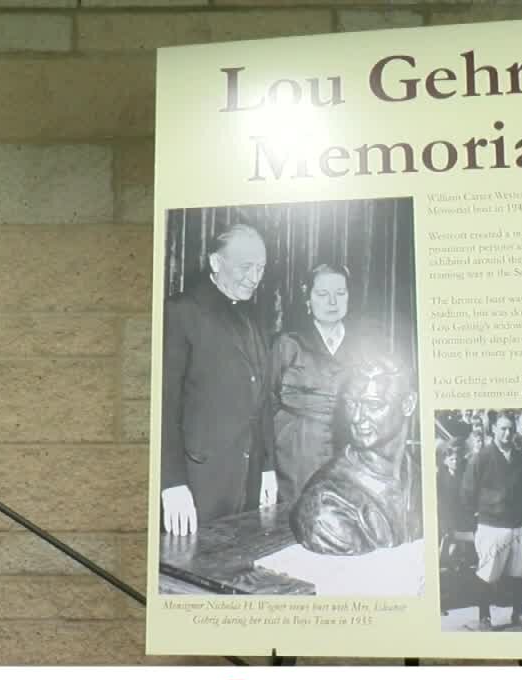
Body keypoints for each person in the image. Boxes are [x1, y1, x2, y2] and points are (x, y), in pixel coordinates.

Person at [160, 223, 277, 535]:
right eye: (245, 267)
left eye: (261, 268)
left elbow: (262, 399)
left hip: (248, 481)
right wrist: (171, 483)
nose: (254, 278)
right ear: (215, 262)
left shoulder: (252, 317)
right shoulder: (180, 312)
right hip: (199, 484)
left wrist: (267, 467)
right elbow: (163, 405)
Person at [270, 264, 378, 502]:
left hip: (346, 464)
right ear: (307, 298)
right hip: (294, 466)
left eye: (340, 293)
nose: (332, 302)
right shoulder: (287, 345)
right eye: (322, 294)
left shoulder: (364, 350)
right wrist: (266, 469)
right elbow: (264, 409)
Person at [290, 357, 420, 554]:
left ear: (408, 404)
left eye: (373, 405)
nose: (357, 418)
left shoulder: (421, 478)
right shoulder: (326, 505)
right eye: (351, 404)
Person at [462, 414, 522, 630]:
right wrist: (477, 520)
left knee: (518, 572)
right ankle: (484, 617)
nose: (507, 433)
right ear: (493, 428)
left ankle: (518, 613)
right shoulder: (482, 457)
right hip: (492, 525)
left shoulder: (521, 458)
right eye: (503, 428)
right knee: (487, 572)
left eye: (510, 429)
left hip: (519, 525)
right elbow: (467, 492)